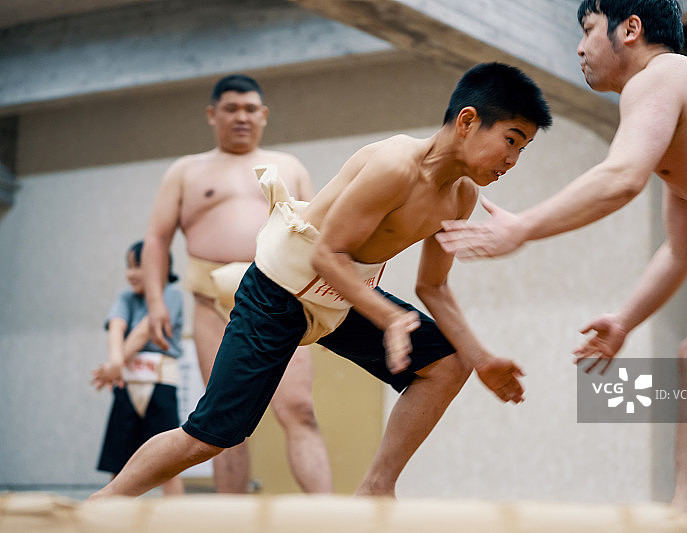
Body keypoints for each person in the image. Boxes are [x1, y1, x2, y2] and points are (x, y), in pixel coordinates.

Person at [88, 62, 551, 500]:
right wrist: (389, 318)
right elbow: (327, 254)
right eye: (511, 140)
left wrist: (481, 356)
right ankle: (104, 503)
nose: (512, 159)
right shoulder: (395, 165)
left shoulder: (461, 196)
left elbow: (434, 287)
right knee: (211, 435)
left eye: (523, 148)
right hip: (279, 289)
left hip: (342, 298)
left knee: (448, 364)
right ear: (468, 121)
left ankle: (376, 487)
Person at [436, 0, 687, 509]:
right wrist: (625, 321)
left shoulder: (659, 77)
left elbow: (621, 178)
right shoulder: (677, 125)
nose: (580, 48)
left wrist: (522, 229)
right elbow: (679, 250)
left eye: (587, 30)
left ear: (630, 29)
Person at [140, 74, 332, 494]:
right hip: (213, 302)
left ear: (263, 115)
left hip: (283, 298)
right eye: (231, 108)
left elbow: (318, 235)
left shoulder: (290, 166)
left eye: (250, 109)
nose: (241, 117)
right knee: (221, 423)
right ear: (212, 114)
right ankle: (231, 519)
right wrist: (156, 303)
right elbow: (156, 239)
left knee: (299, 409)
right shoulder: (186, 171)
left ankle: (329, 516)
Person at [91, 240, 185, 496]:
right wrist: (114, 363)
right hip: (126, 383)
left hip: (160, 383)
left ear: (160, 269)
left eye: (138, 266)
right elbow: (116, 326)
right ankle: (111, 517)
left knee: (169, 460)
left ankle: (177, 518)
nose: (130, 273)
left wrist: (116, 364)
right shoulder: (125, 297)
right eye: (129, 266)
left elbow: (146, 330)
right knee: (119, 459)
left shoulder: (172, 296)